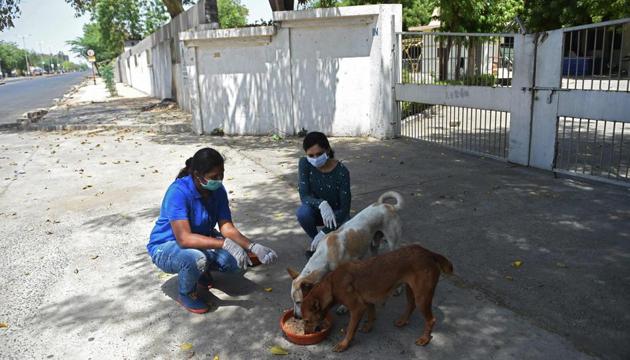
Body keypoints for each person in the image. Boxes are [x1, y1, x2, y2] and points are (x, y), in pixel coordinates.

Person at [147, 147, 278, 314]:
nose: (219, 180)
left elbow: (226, 227)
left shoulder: (218, 191)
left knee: (237, 264)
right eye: (214, 177)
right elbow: (184, 239)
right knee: (196, 258)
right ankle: (186, 293)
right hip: (166, 246)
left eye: (221, 174)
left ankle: (201, 273)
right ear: (196, 175)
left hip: (201, 239)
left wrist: (252, 246)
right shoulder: (178, 192)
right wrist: (223, 244)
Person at [296, 132, 351, 257]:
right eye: (311, 155)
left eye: (319, 154)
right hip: (317, 211)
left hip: (337, 214)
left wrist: (324, 232)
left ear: (327, 149)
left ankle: (322, 240)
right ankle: (317, 242)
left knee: (347, 243)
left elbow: (345, 209)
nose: (315, 159)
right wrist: (321, 203)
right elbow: (304, 196)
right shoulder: (305, 164)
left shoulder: (342, 171)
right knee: (302, 213)